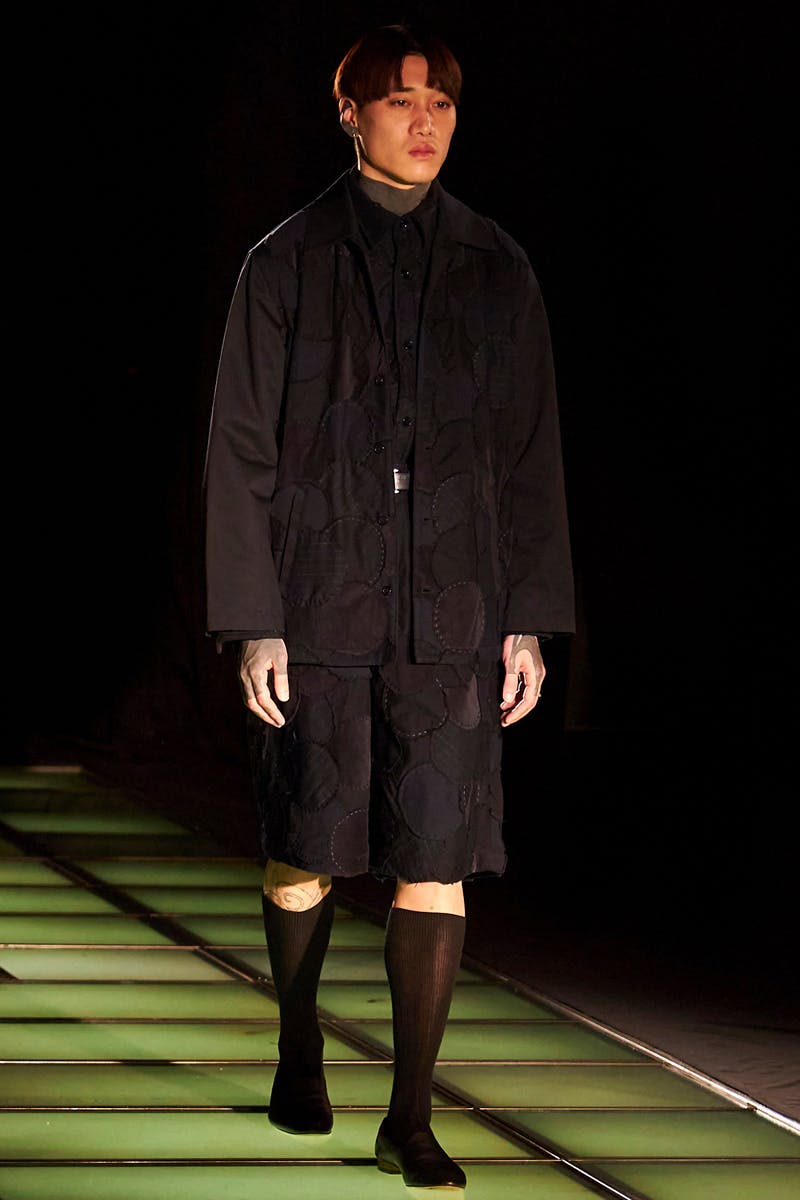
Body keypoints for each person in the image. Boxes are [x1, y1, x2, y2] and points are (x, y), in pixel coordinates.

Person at [203, 23, 574, 1190]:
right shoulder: (286, 261)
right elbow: (239, 450)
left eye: (441, 103)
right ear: (349, 113)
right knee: (304, 846)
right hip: (318, 600)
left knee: (435, 851)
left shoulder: (495, 265)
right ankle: (298, 1039)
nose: (424, 122)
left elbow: (528, 454)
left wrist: (528, 618)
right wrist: (252, 620)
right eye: (401, 100)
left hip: (452, 608)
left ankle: (408, 1115)